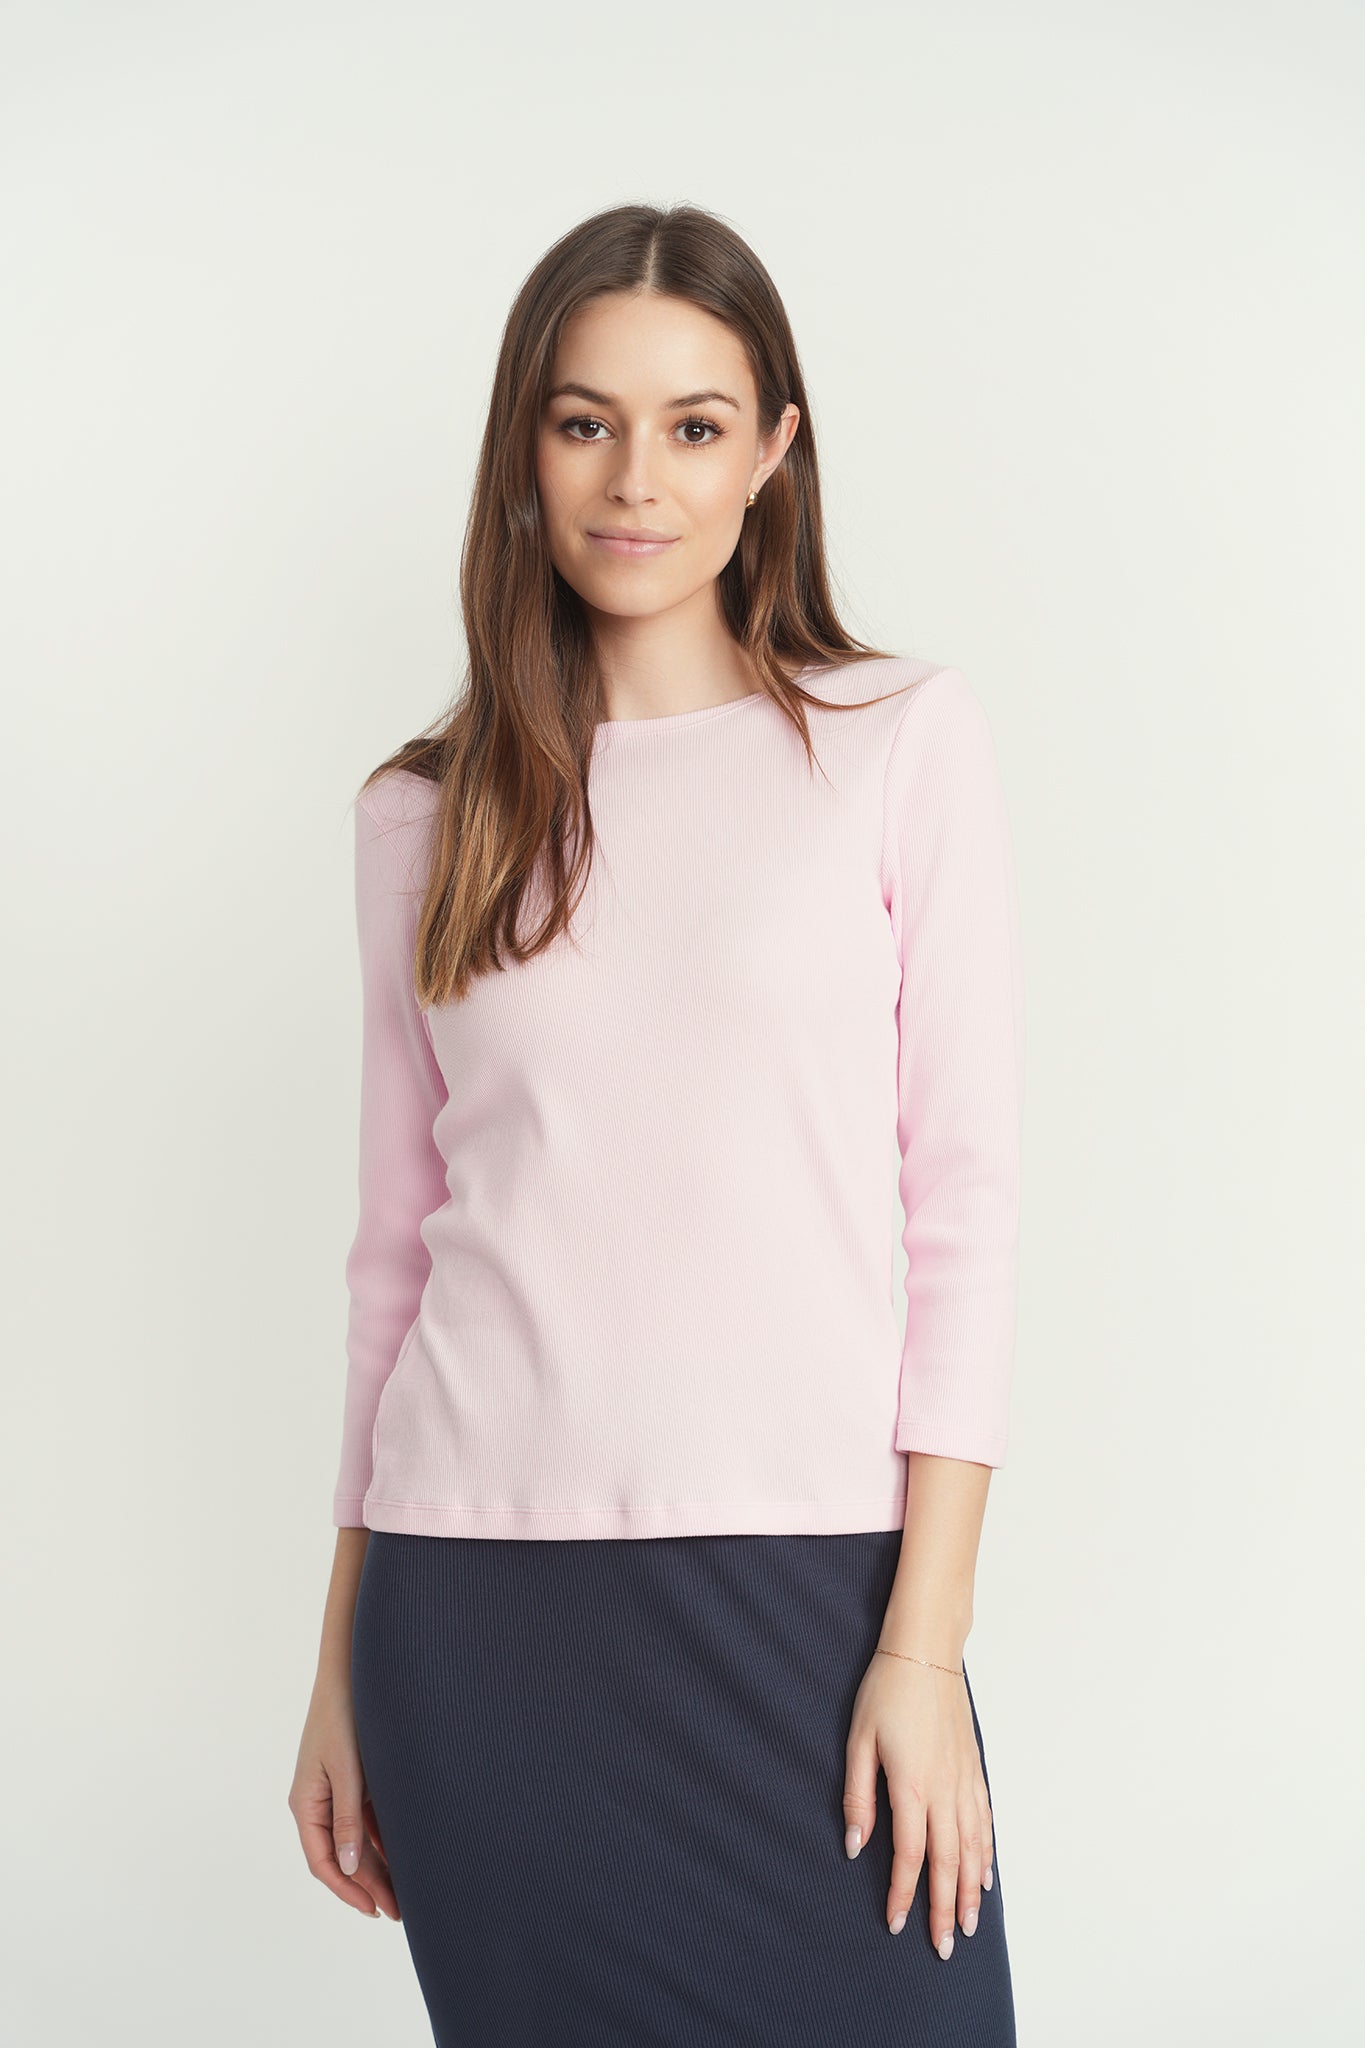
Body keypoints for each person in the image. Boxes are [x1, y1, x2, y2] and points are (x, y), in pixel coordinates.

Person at [289, 200, 1026, 2048]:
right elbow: (392, 1261)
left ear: (773, 452)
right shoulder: (421, 815)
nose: (636, 478)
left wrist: (922, 1648)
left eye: (694, 425)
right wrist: (336, 1667)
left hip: (809, 1591)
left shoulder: (892, 740)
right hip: (472, 1610)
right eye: (583, 421)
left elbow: (966, 1210)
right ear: (524, 452)